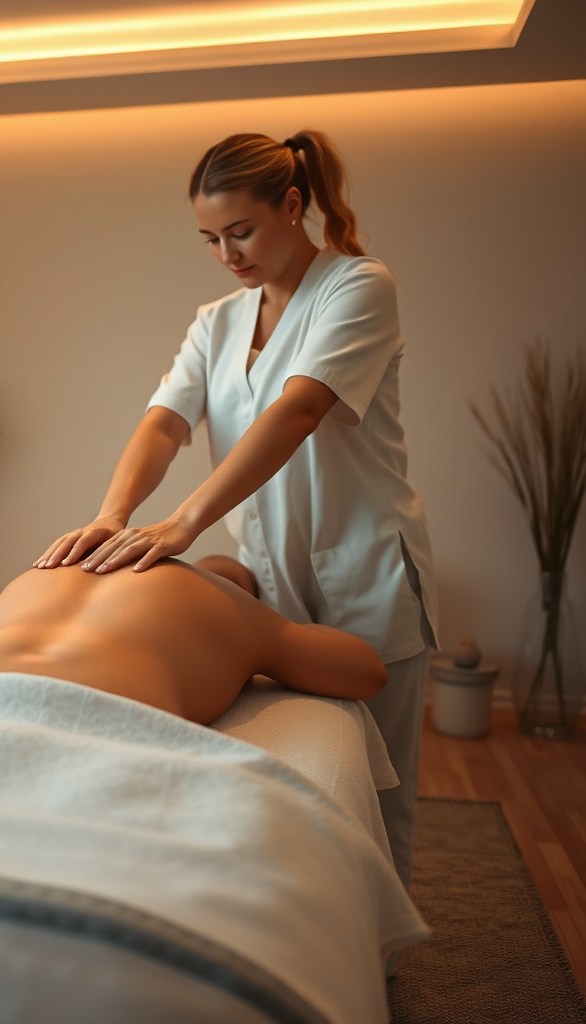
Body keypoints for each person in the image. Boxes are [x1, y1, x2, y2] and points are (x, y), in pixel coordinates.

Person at [33, 131, 437, 892]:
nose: (226, 253)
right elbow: (163, 422)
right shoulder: (218, 319)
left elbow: (299, 410)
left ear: (292, 206)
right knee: (305, 775)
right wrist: (113, 514)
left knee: (383, 795)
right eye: (210, 238)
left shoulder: (357, 288)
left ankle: (383, 962)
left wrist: (181, 523)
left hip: (369, 568)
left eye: (240, 231)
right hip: (270, 565)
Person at [0, 556, 387, 725]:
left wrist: (2, 611)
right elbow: (368, 673)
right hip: (94, 714)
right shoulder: (232, 605)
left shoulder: (55, 569)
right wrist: (276, 642)